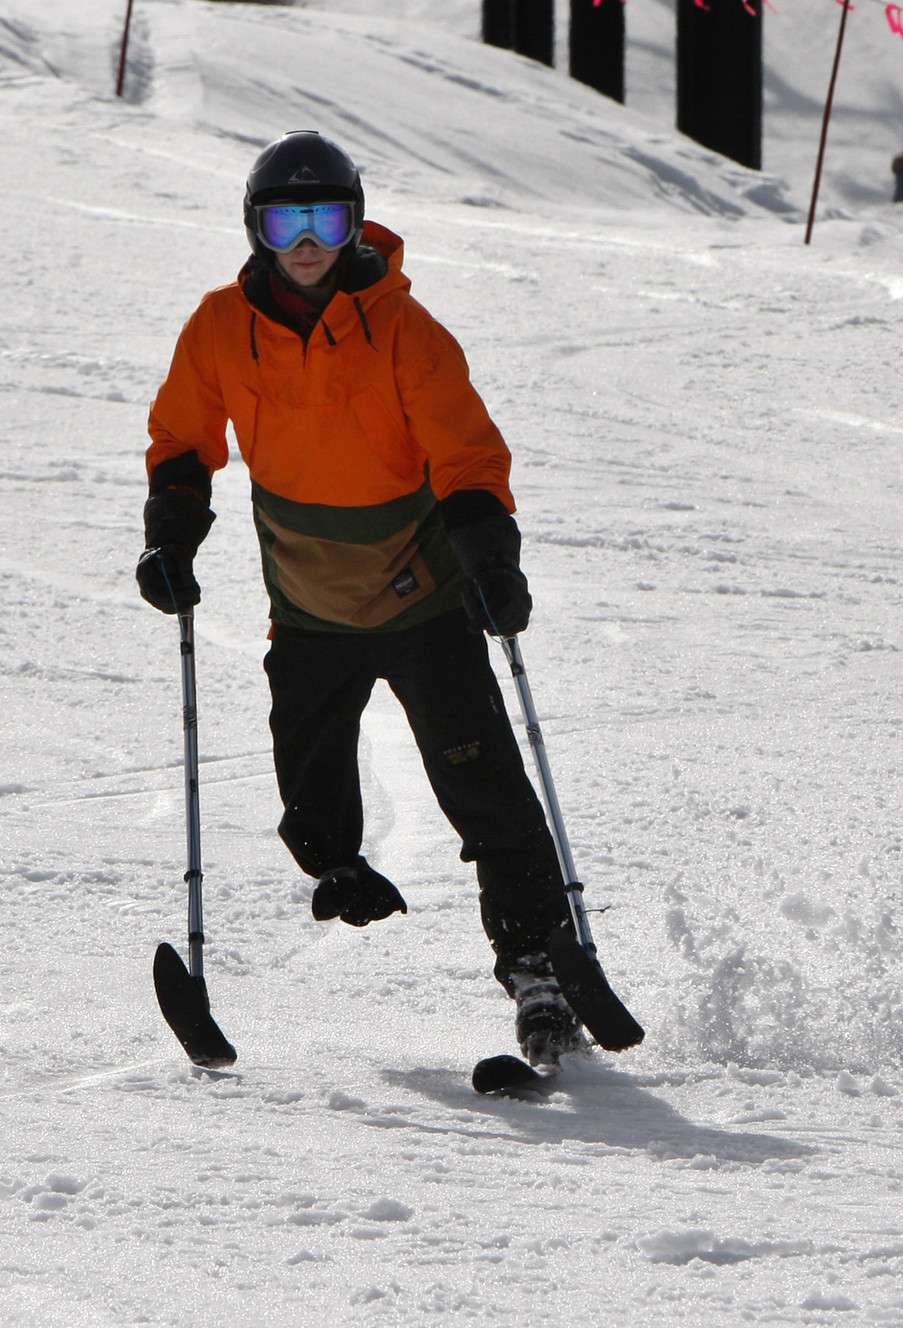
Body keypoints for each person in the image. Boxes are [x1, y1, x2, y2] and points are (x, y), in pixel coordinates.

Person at [136, 130, 583, 1067]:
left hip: (424, 598)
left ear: (353, 221)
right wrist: (170, 535)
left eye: (327, 217)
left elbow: (466, 455)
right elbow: (183, 436)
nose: (308, 239)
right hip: (307, 604)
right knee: (306, 779)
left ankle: (539, 964)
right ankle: (338, 865)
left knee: (482, 783)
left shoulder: (403, 328)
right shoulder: (220, 325)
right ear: (256, 227)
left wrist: (493, 561)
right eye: (286, 218)